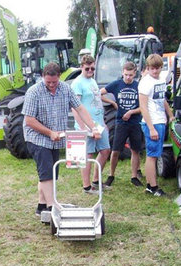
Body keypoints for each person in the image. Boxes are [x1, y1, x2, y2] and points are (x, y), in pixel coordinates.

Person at [23, 62, 101, 216]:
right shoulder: (34, 92)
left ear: (59, 77)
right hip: (37, 138)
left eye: (54, 82)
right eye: (48, 82)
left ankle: (41, 206)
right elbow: (29, 120)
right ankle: (52, 208)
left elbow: (80, 108)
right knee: (46, 173)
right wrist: (49, 132)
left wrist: (93, 128)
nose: (51, 85)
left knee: (51, 173)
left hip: (55, 139)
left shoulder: (65, 88)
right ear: (43, 78)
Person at [71, 55, 111, 194]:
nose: (90, 70)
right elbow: (75, 106)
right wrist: (82, 126)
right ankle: (86, 186)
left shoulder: (93, 81)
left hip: (99, 123)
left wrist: (103, 122)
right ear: (81, 67)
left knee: (105, 150)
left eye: (92, 68)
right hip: (86, 125)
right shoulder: (77, 83)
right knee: (88, 155)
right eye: (87, 68)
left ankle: (96, 180)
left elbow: (98, 101)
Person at [101, 61, 144, 188]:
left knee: (135, 150)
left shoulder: (139, 86)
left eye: (130, 75)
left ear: (134, 74)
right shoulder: (117, 84)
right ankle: (111, 175)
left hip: (135, 122)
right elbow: (100, 93)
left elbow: (143, 107)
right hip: (120, 122)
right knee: (115, 151)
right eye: (126, 75)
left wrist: (131, 112)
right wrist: (112, 103)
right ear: (122, 73)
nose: (128, 77)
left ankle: (134, 176)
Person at [138, 54, 174, 196]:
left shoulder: (161, 80)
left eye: (158, 68)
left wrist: (170, 114)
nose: (155, 71)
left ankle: (151, 184)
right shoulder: (145, 83)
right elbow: (143, 107)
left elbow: (162, 98)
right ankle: (152, 187)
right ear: (148, 68)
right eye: (152, 69)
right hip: (151, 122)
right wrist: (151, 127)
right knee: (152, 155)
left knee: (156, 154)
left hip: (161, 120)